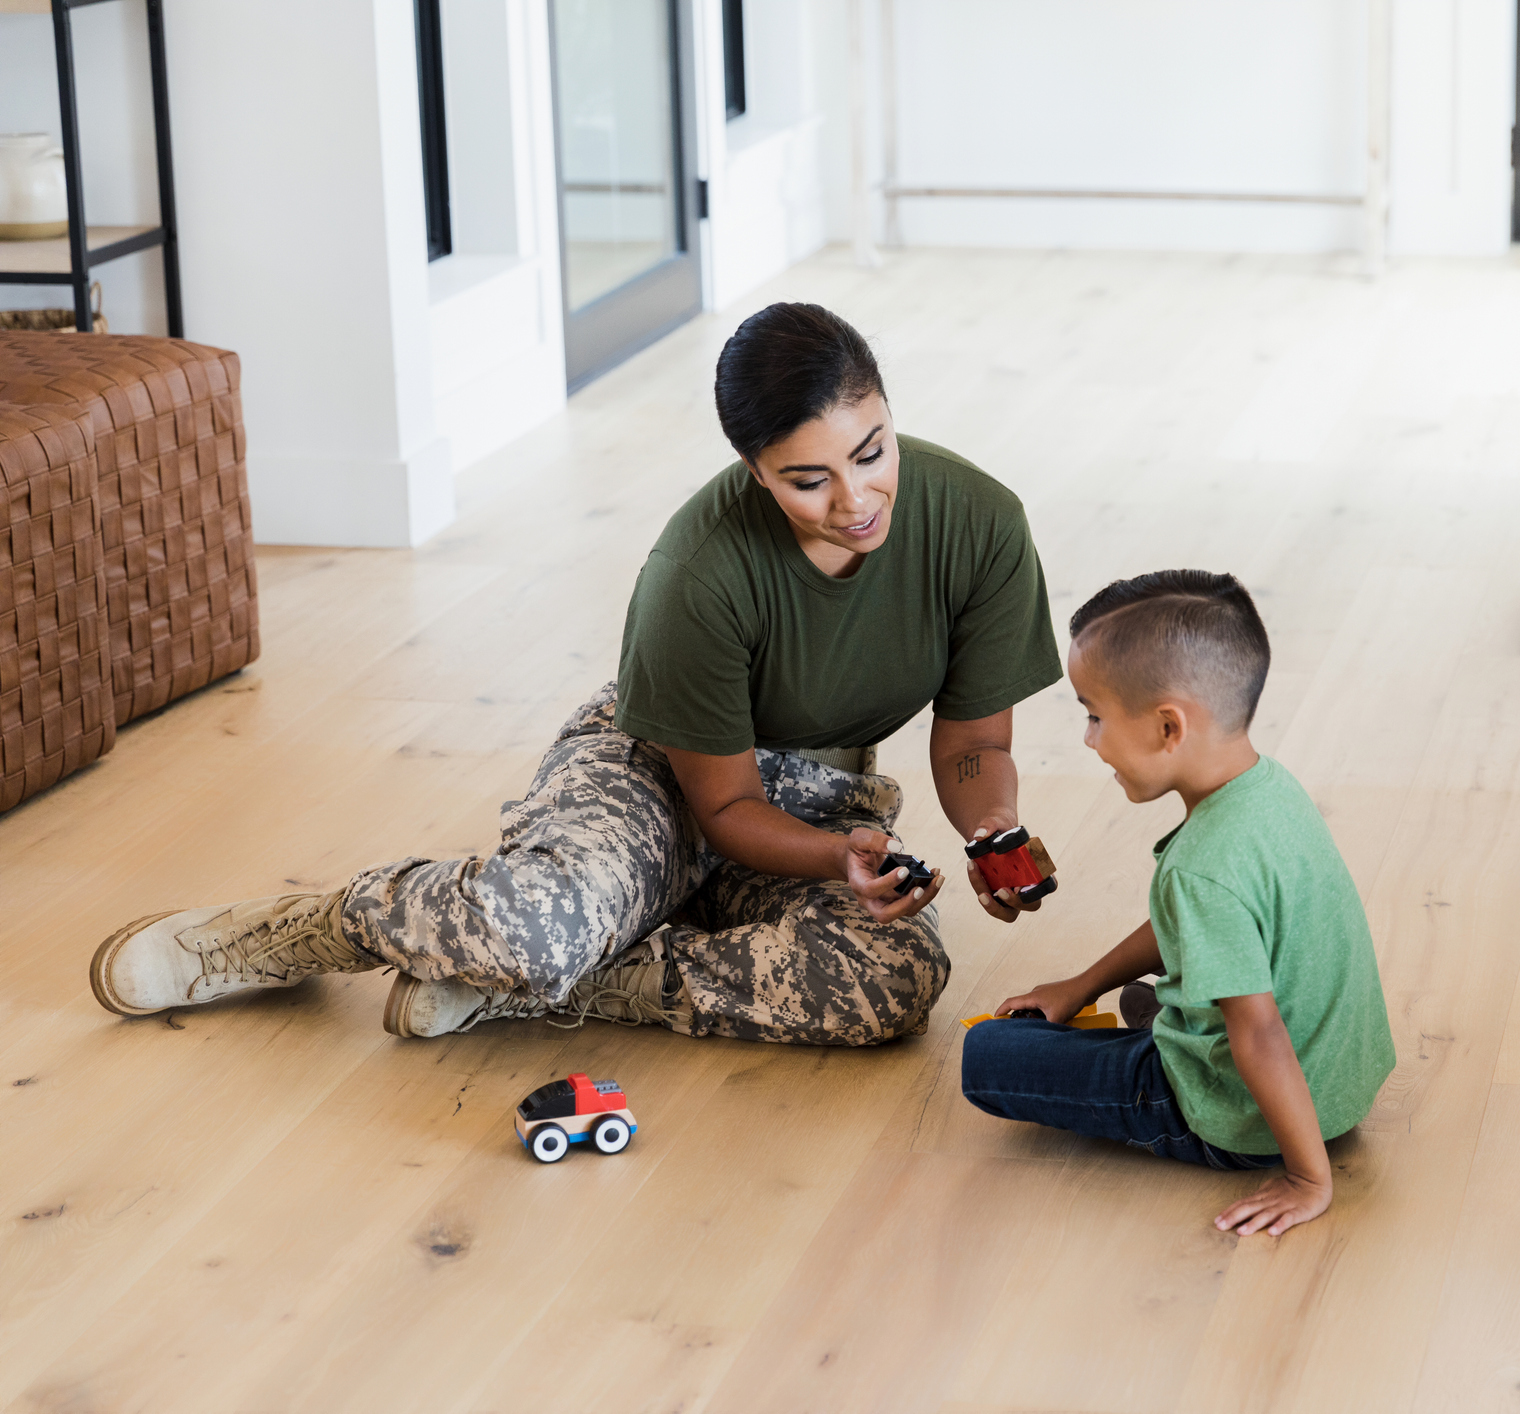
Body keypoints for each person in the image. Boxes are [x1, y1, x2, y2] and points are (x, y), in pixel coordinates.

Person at [90, 303, 1063, 1046]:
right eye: (809, 479)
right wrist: (830, 857)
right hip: (666, 773)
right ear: (754, 471)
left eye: (871, 451)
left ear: (888, 414)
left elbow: (975, 741)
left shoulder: (978, 522)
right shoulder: (699, 569)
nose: (856, 498)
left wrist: (989, 832)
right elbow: (720, 809)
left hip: (819, 801)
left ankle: (566, 978)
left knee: (890, 981)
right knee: (535, 926)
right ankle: (308, 929)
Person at [960, 571, 1395, 1236]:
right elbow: (1203, 927)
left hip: (1235, 1118)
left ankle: (1169, 1051)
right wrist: (1079, 987)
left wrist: (1308, 1179)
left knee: (986, 1054)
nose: (1087, 738)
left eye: (1093, 715)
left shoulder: (1201, 869)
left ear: (1168, 725)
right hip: (1335, 1083)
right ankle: (1160, 1020)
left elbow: (1258, 1032)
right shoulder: (1269, 790)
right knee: (1156, 993)